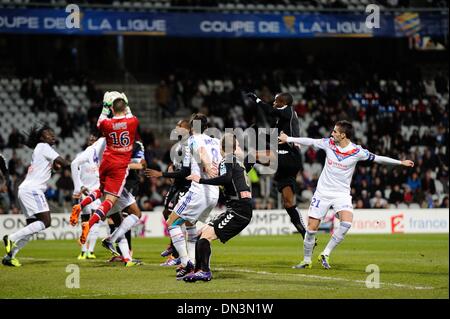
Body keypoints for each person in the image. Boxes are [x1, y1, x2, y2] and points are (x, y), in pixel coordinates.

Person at [279, 120, 414, 269]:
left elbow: (378, 158)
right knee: (311, 229)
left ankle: (325, 253)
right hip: (322, 193)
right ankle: (306, 260)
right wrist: (288, 139)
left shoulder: (357, 151)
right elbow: (309, 141)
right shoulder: (328, 143)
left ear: (343, 135)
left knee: (346, 223)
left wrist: (400, 163)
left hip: (341, 194)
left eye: (335, 132)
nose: (332, 133)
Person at [70, 91, 139, 245]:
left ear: (113, 110)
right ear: (125, 107)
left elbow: (100, 120)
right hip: (119, 166)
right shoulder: (133, 122)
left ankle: (80, 206)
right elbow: (129, 114)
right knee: (110, 200)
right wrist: (125, 103)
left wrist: (105, 105)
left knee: (101, 189)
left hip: (106, 163)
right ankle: (90, 223)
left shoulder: (107, 124)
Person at [184, 133, 253, 282]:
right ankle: (197, 270)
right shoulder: (236, 161)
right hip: (239, 208)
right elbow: (231, 180)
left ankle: (204, 272)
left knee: (206, 236)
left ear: (221, 148)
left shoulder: (226, 160)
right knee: (200, 234)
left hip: (238, 210)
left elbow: (227, 179)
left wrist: (201, 180)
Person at [2, 125, 69, 267]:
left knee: (33, 227)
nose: (52, 135)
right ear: (41, 138)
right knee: (46, 221)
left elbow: (48, 172)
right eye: (48, 133)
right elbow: (64, 163)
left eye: (52, 132)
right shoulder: (44, 147)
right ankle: (11, 238)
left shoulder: (41, 150)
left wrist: (54, 168)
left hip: (26, 190)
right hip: (33, 190)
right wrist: (77, 165)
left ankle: (10, 256)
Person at [166, 113, 221, 280]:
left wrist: (206, 165)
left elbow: (200, 152)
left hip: (199, 191)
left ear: (191, 127)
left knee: (171, 223)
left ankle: (186, 262)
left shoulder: (192, 140)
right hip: (214, 192)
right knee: (191, 225)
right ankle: (195, 262)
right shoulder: (216, 141)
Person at [246, 92, 307, 241]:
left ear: (283, 102)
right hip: (291, 162)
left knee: (252, 156)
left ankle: (238, 185)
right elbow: (275, 138)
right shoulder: (285, 120)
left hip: (289, 156)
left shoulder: (288, 110)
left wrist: (257, 100)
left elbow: (270, 111)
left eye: (276, 101)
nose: (273, 103)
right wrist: (259, 132)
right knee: (288, 203)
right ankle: (306, 235)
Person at [145, 119, 191, 266]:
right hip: (176, 186)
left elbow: (185, 171)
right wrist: (171, 167)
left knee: (176, 219)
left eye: (179, 126)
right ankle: (175, 247)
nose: (176, 128)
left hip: (186, 186)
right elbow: (177, 165)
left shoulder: (189, 145)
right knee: (167, 213)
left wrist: (163, 174)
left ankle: (178, 255)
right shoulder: (178, 146)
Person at [107, 140, 147, 264]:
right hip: (114, 181)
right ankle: (122, 253)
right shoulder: (111, 142)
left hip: (130, 183)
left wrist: (121, 165)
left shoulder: (136, 144)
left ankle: (128, 252)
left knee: (126, 216)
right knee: (112, 219)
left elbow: (141, 164)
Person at [70, 132, 105, 260]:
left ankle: (91, 250)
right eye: (89, 138)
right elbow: (76, 173)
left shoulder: (101, 155)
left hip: (96, 191)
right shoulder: (81, 155)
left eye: (94, 138)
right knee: (85, 221)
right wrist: (79, 187)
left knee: (96, 221)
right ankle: (83, 251)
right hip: (84, 191)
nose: (91, 140)